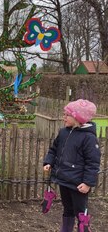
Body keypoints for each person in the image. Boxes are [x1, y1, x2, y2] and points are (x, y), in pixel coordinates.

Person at [43, 99, 101, 232]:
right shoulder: (63, 132)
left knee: (80, 211)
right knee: (67, 209)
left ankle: (83, 229)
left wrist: (87, 183)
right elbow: (54, 149)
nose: (64, 118)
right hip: (64, 179)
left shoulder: (88, 138)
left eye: (66, 115)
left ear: (77, 118)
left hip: (78, 184)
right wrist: (48, 162)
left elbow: (93, 163)